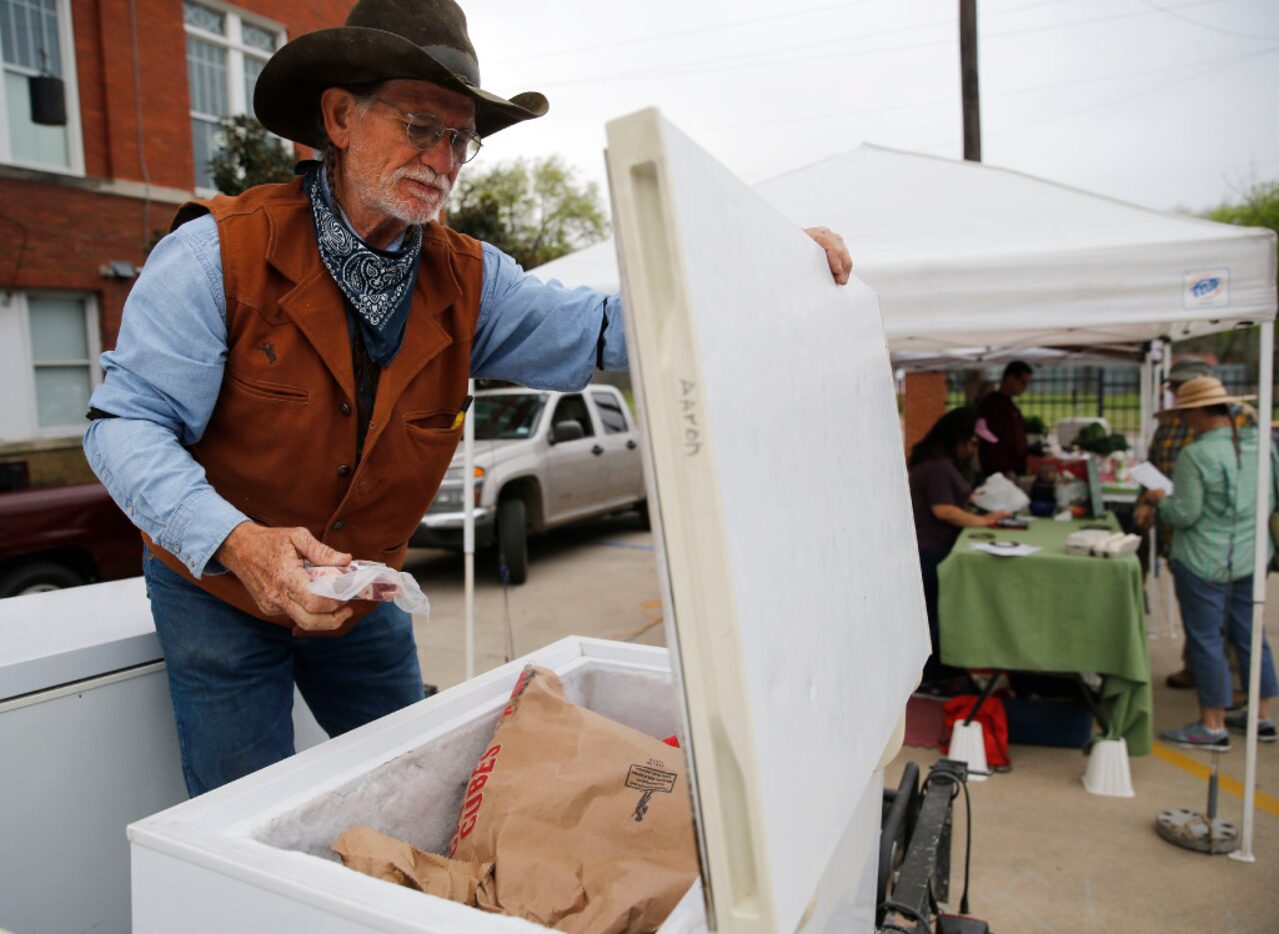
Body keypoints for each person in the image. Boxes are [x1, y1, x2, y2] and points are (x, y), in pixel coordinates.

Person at [82, 0, 854, 797]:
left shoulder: (472, 279)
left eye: (460, 140)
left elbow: (604, 329)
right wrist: (240, 544)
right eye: (422, 127)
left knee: (418, 788)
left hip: (363, 593)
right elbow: (123, 427)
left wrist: (760, 272)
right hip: (219, 591)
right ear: (340, 118)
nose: (443, 159)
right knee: (235, 809)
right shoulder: (215, 252)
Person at [1135, 377, 1278, 750]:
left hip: (1201, 559)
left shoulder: (1196, 454)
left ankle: (1212, 724)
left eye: (1185, 414)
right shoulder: (1261, 446)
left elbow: (1185, 514)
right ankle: (1261, 715)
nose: (1185, 422)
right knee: (1251, 634)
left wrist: (1158, 498)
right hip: (1251, 554)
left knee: (1206, 639)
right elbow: (1271, 499)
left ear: (1198, 412)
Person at [908, 408, 1011, 687]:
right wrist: (983, 521)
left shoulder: (940, 464)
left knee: (931, 616)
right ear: (959, 437)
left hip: (931, 550)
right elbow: (944, 510)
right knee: (929, 618)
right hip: (929, 552)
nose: (973, 449)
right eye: (973, 442)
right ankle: (927, 678)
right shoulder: (937, 467)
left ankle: (929, 675)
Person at [978, 361, 1033, 479]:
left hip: (1010, 468)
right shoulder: (994, 404)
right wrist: (1004, 467)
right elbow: (993, 439)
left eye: (1027, 383)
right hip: (1001, 470)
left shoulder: (1008, 404)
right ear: (1010, 378)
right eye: (1022, 382)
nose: (1024, 387)